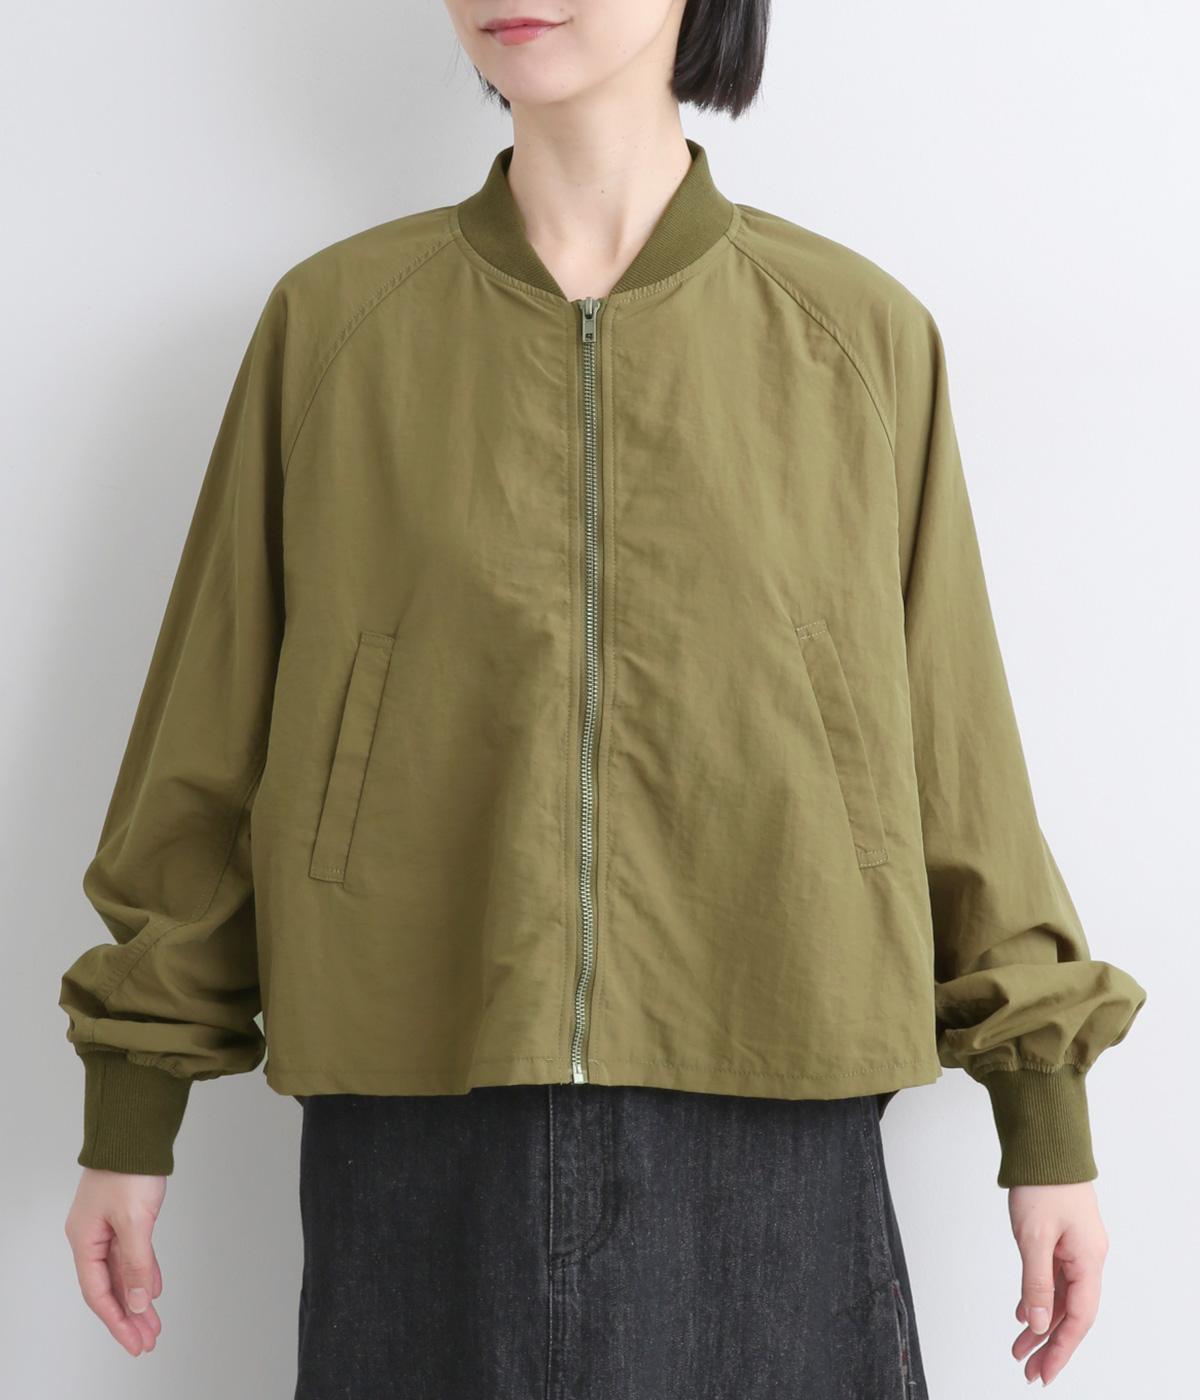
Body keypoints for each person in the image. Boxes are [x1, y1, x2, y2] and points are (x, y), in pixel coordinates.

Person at [60, 2, 1148, 1395]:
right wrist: (132, 1103)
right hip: (420, 1107)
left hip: (777, 1114)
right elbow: (209, 734)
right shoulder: (335, 327)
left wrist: (1044, 1117)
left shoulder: (856, 336)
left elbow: (954, 748)